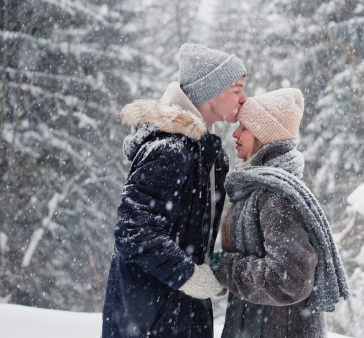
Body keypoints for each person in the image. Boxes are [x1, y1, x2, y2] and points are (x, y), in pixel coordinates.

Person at [101, 44, 247, 338]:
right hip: (147, 316)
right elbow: (134, 232)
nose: (244, 99)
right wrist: (190, 277)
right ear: (211, 91)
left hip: (182, 311)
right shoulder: (170, 150)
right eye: (237, 89)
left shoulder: (211, 155)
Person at [210, 88, 350, 338]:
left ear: (263, 135)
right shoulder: (259, 190)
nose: (235, 133)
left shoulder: (277, 198)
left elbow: (288, 281)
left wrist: (221, 266)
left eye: (244, 127)